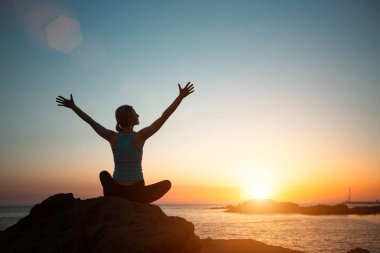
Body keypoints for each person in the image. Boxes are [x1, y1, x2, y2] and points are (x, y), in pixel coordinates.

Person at [56, 82, 194, 203]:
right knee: (167, 184)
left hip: (116, 192)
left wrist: (73, 107)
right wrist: (180, 97)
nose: (138, 115)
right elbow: (164, 116)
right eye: (135, 113)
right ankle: (136, 201)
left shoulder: (112, 137)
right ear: (130, 118)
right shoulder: (140, 136)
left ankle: (110, 196)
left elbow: (90, 121)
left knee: (104, 174)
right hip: (137, 194)